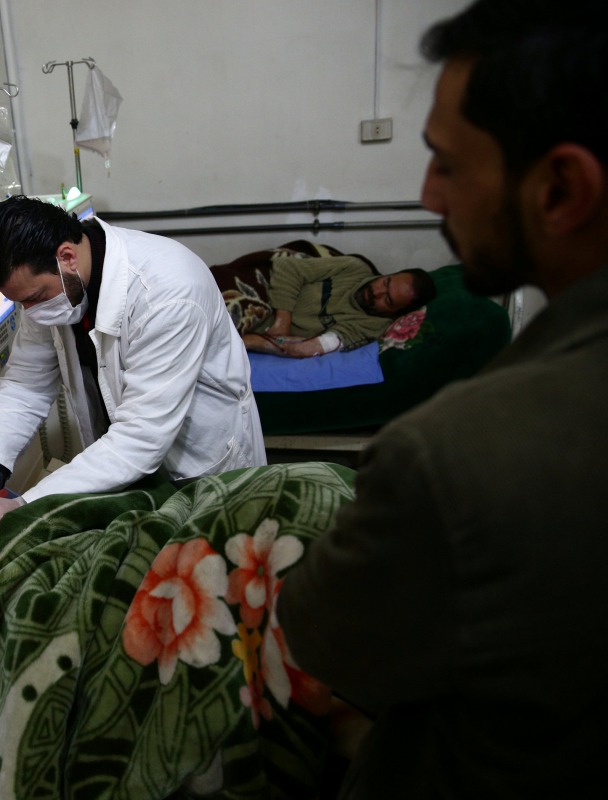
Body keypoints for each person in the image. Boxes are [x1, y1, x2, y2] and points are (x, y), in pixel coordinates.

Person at [276, 2, 608, 798]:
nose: (428, 197)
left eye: (448, 165)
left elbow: (326, 642)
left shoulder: (457, 451)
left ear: (560, 188)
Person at [0, 195, 266, 541]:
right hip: (128, 467)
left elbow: (141, 437)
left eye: (34, 298)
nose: (31, 312)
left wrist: (27, 503)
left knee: (216, 555)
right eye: (20, 302)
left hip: (199, 465)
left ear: (67, 257)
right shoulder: (52, 287)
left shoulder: (168, 292)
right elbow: (26, 385)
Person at [240, 256, 435, 358]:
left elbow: (308, 348)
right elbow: (287, 267)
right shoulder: (354, 268)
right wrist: (283, 320)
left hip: (251, 330)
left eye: (388, 300)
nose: (377, 292)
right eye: (385, 282)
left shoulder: (371, 326)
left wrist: (246, 342)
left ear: (395, 314)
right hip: (261, 294)